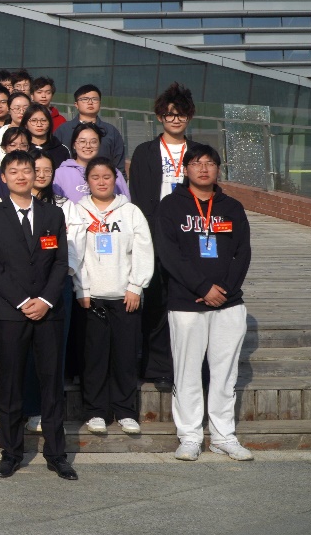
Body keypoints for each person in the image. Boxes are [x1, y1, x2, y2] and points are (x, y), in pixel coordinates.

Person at [0, 151, 77, 481]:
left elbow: (60, 262)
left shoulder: (52, 214)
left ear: (36, 175)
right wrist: (22, 301)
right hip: (11, 312)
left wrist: (45, 300)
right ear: (3, 177)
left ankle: (57, 453)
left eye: (27, 170)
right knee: (10, 383)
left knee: (51, 383)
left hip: (49, 312)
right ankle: (11, 452)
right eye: (14, 171)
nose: (21, 176)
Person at [157, 146, 254, 462]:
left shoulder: (232, 207)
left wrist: (224, 290)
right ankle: (189, 436)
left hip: (228, 304)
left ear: (218, 169)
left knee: (225, 374)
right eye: (196, 163)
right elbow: (169, 254)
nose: (203, 168)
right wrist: (202, 287)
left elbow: (242, 252)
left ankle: (224, 436)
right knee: (187, 373)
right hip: (186, 303)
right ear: (185, 169)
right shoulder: (171, 206)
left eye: (209, 163)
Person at [65, 157, 153, 437]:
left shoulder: (130, 212)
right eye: (95, 177)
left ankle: (125, 411)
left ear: (115, 180)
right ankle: (96, 411)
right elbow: (74, 253)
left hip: (125, 296)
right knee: (94, 358)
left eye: (107, 177)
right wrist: (81, 289)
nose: (101, 182)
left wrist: (136, 286)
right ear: (87, 182)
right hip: (90, 298)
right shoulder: (78, 211)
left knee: (124, 357)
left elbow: (143, 250)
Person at [129, 82, 202, 389]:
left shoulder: (198, 152)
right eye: (169, 114)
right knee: (157, 302)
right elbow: (138, 196)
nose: (175, 119)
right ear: (160, 117)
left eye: (181, 114)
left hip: (189, 235)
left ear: (189, 117)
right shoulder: (145, 152)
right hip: (155, 235)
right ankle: (157, 366)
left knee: (187, 301)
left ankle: (189, 364)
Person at [53, 84, 126, 172]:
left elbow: (119, 166)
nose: (90, 102)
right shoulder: (63, 130)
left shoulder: (111, 131)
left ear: (100, 103)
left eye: (94, 99)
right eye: (85, 99)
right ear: (76, 104)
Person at [53, 122, 130, 204]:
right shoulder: (60, 173)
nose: (88, 146)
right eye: (82, 141)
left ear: (99, 144)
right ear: (74, 145)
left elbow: (125, 203)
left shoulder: (112, 171)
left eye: (93, 142)